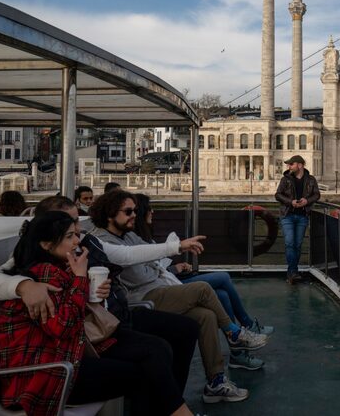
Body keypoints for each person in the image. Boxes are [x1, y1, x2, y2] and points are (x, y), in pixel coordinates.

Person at [0, 196, 201, 401]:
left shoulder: (84, 242)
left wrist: (176, 246)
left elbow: (127, 255)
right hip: (91, 332)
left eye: (76, 224)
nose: (78, 230)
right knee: (155, 354)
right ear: (46, 227)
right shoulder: (36, 262)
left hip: (107, 317)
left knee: (184, 331)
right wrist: (23, 286)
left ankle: (172, 406)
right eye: (70, 226)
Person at [89, 189, 267, 403]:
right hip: (144, 298)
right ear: (110, 214)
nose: (134, 215)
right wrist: (164, 257)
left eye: (135, 210)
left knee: (206, 316)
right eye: (128, 211)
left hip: (157, 288)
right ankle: (234, 333)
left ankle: (216, 381)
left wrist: (153, 265)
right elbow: (138, 274)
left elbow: (148, 262)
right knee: (202, 288)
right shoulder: (103, 242)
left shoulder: (129, 235)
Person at [133, 193, 273, 370]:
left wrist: (173, 266)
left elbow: (152, 268)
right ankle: (242, 331)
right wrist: (173, 265)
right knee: (219, 280)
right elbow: (145, 274)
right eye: (149, 208)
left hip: (168, 282)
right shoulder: (130, 242)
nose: (152, 211)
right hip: (164, 287)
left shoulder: (141, 237)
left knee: (221, 293)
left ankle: (237, 346)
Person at [275, 155, 320, 284]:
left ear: (300, 165)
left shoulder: (311, 180)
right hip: (287, 215)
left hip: (302, 216)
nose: (289, 166)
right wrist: (291, 202)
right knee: (290, 243)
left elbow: (317, 194)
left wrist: (307, 201)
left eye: (291, 164)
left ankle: (292, 273)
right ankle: (293, 271)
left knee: (298, 245)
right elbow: (277, 195)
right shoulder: (285, 179)